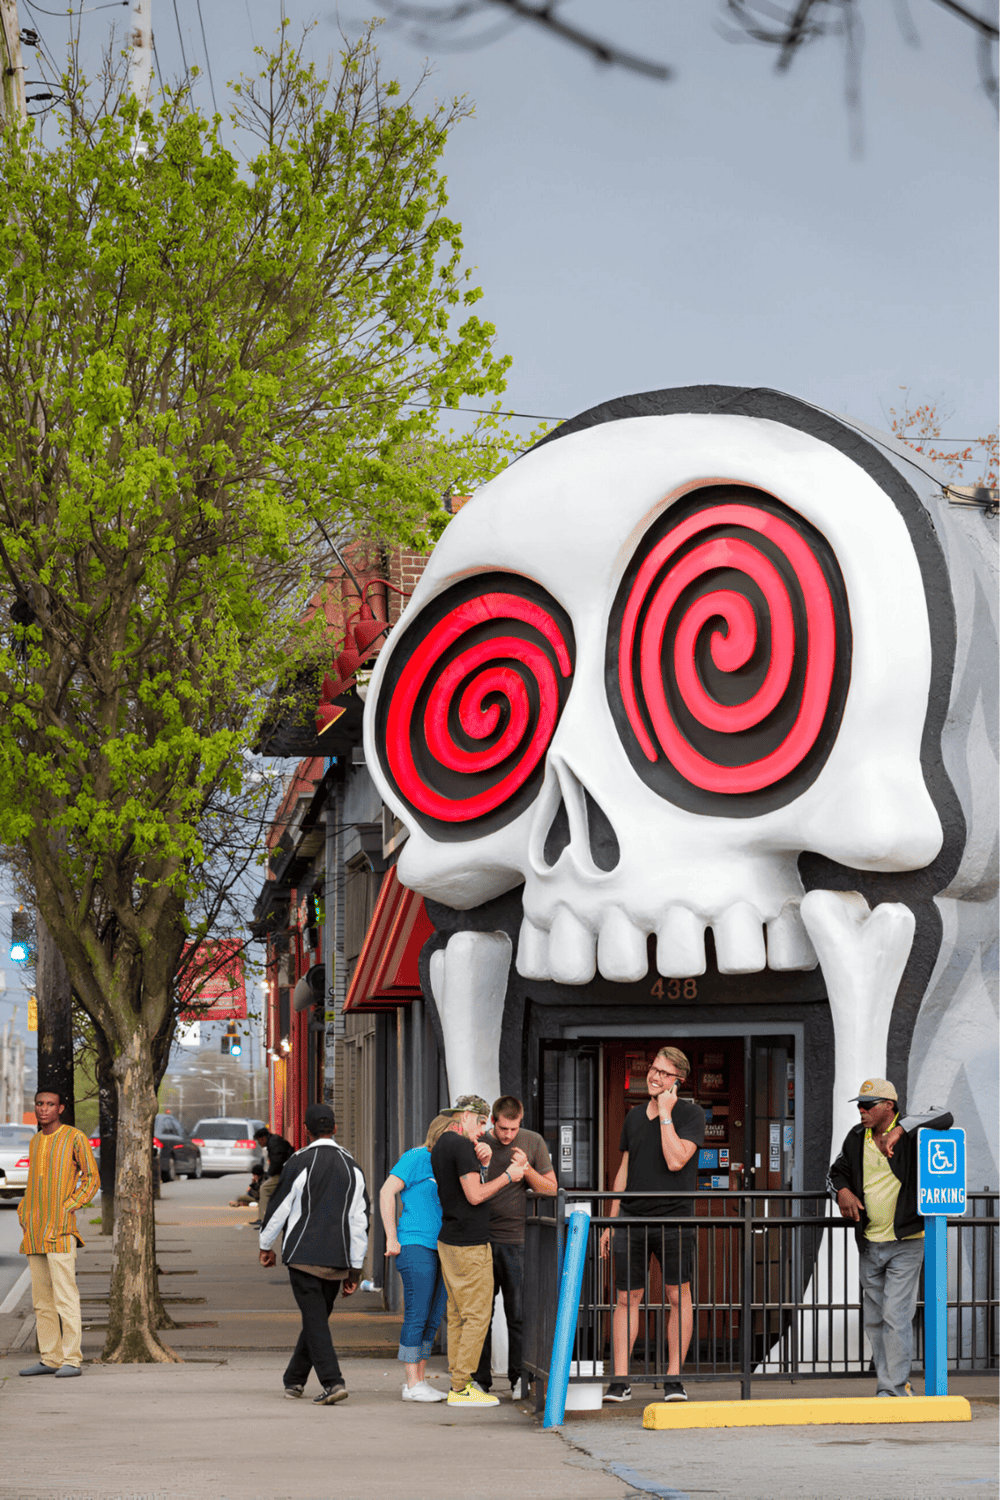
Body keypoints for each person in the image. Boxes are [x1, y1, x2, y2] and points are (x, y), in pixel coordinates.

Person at [829, 1076, 954, 1398]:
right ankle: (894, 1382)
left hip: (907, 1241)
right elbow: (836, 1171)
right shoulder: (857, 1137)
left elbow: (945, 1115)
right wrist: (842, 1191)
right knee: (874, 1319)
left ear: (889, 1106)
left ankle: (892, 1388)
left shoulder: (913, 1135)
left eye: (868, 1105)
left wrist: (902, 1128)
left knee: (895, 1316)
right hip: (870, 1241)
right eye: (858, 1105)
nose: (861, 1110)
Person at [599, 1046, 705, 1404]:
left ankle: (673, 1379)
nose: (655, 1077)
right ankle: (620, 1380)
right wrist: (611, 1222)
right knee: (627, 1297)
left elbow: (677, 1160)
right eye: (654, 1069)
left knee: (678, 1296)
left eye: (664, 1073)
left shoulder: (691, 1114)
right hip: (632, 1217)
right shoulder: (631, 1117)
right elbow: (624, 1171)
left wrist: (664, 1113)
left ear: (679, 1082)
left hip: (676, 1218)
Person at [258, 1102, 369, 1405]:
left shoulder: (299, 1161)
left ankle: (333, 1382)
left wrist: (265, 1245)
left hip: (303, 1255)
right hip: (337, 1259)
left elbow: (279, 1207)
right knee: (316, 1319)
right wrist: (355, 1270)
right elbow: (360, 1221)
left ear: (306, 1131)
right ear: (334, 1128)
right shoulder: (352, 1167)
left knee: (315, 1320)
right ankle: (293, 1379)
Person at [430, 1093, 527, 1408]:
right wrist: (508, 1177)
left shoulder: (443, 1143)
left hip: (449, 1238)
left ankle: (459, 1381)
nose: (483, 1130)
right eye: (481, 1122)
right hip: (470, 1242)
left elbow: (462, 1189)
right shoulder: (461, 1145)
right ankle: (461, 1387)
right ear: (466, 1116)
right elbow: (474, 1196)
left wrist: (483, 1165)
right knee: (477, 1315)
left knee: (458, 1314)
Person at [472, 1094, 557, 1401]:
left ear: (521, 1123)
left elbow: (551, 1189)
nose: (508, 1135)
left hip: (517, 1241)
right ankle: (479, 1380)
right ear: (493, 1121)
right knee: (480, 1313)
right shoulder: (478, 1141)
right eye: (503, 1128)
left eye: (513, 1129)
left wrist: (526, 1170)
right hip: (481, 1240)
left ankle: (521, 1378)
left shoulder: (532, 1142)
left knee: (518, 1314)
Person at [18, 1085, 99, 1379]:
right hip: (34, 1230)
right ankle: (50, 1357)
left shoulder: (75, 1138)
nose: (43, 1109)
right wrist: (24, 1211)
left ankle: (72, 1359)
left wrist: (69, 1206)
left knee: (66, 1296)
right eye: (39, 1104)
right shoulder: (36, 1141)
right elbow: (33, 1183)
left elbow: (91, 1178)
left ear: (60, 1108)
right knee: (41, 1300)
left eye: (50, 1104)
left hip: (61, 1230)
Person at [379, 1113, 454, 1402]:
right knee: (417, 1313)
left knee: (433, 1317)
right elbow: (387, 1192)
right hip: (414, 1243)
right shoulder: (416, 1157)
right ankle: (412, 1383)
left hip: (445, 1246)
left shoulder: (453, 1161)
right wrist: (391, 1237)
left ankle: (420, 1380)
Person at [251, 1126, 294, 1228]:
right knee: (267, 1189)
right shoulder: (273, 1141)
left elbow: (277, 1161)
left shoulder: (274, 1143)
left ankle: (265, 1220)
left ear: (263, 1138)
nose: (259, 1143)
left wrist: (269, 1174)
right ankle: (263, 1219)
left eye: (259, 1140)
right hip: (284, 1172)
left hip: (284, 1173)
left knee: (264, 1188)